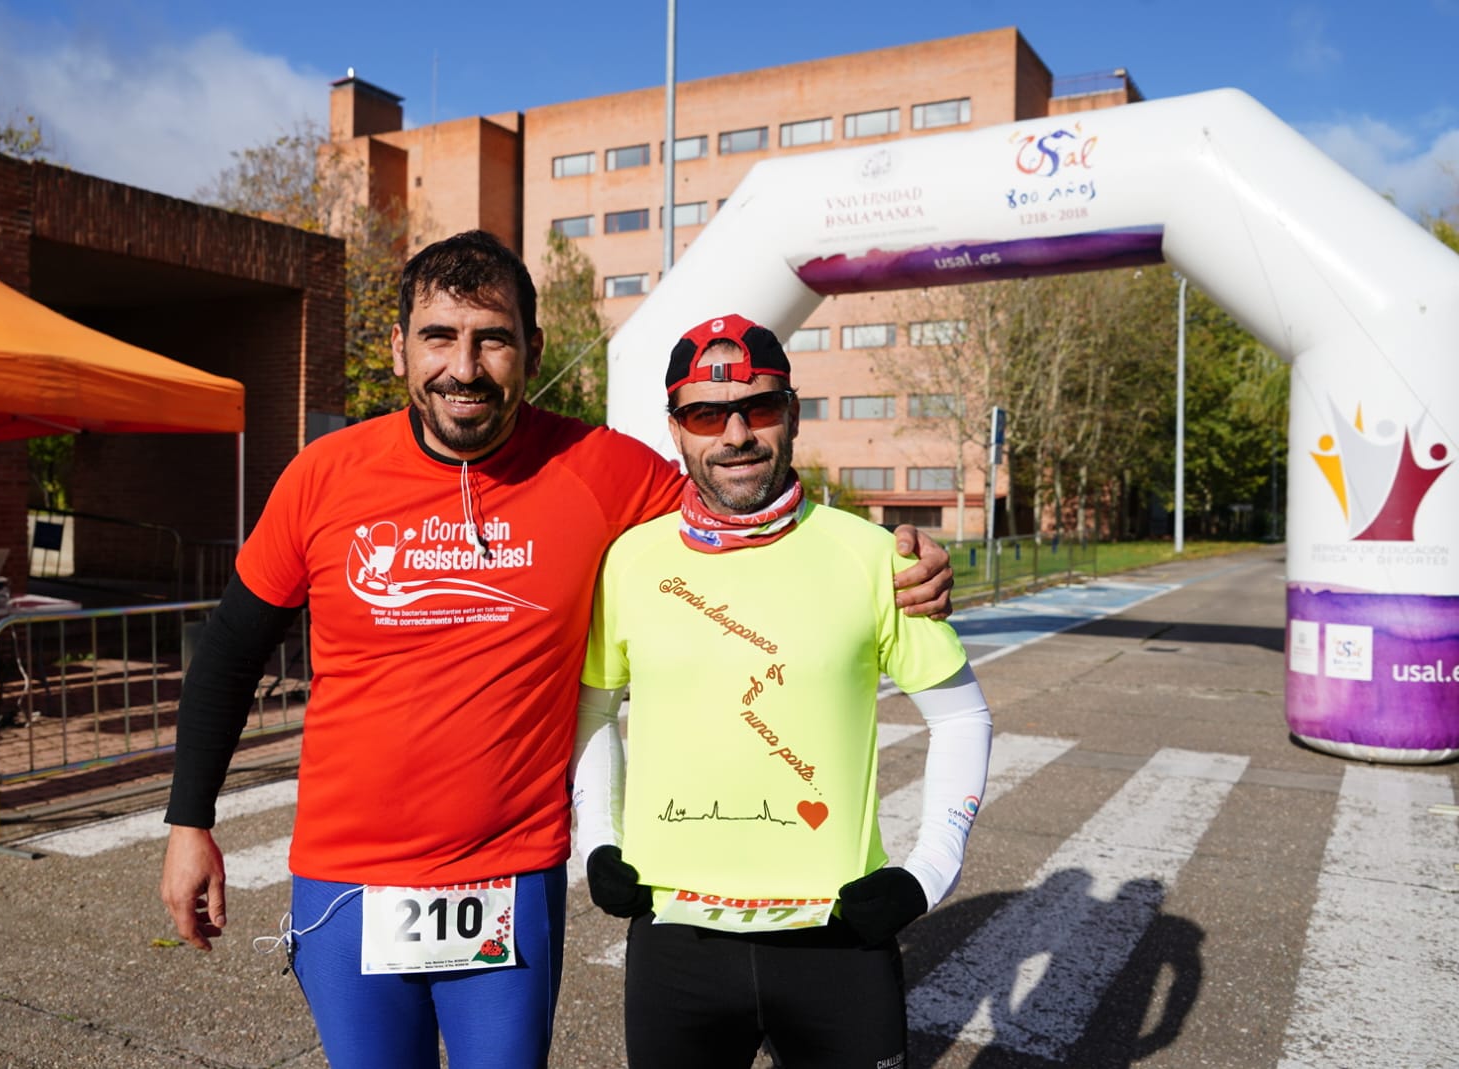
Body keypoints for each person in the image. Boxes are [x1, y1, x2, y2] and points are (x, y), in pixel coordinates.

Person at [159, 232, 955, 1069]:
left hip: (509, 876)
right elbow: (228, 653)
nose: (463, 366)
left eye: (491, 337)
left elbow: (744, 503)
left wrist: (890, 556)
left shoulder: (600, 470)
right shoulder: (324, 476)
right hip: (348, 877)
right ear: (399, 348)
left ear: (531, 348)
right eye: (438, 336)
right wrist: (189, 823)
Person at [573, 313, 993, 1069]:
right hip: (677, 941)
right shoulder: (628, 562)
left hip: (838, 938)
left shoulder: (878, 556)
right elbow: (595, 709)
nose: (735, 433)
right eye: (706, 414)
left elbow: (962, 716)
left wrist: (927, 872)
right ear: (677, 430)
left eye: (759, 408)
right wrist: (599, 843)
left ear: (792, 414)